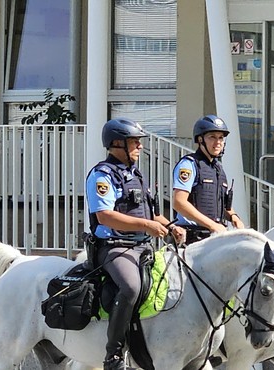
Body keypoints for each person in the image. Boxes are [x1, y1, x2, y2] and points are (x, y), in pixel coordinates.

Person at [85, 118, 185, 369]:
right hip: (113, 247)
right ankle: (114, 354)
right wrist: (147, 226)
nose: (140, 147)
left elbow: (151, 215)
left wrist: (170, 227)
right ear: (117, 144)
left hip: (143, 246)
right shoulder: (102, 175)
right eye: (134, 142)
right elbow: (104, 215)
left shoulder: (137, 175)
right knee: (130, 287)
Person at [172, 114, 245, 245]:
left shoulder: (218, 169)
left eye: (221, 138)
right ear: (200, 140)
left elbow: (221, 206)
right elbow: (179, 203)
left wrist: (234, 217)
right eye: (212, 137)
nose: (218, 142)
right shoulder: (189, 164)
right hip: (192, 239)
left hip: (215, 238)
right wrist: (212, 225)